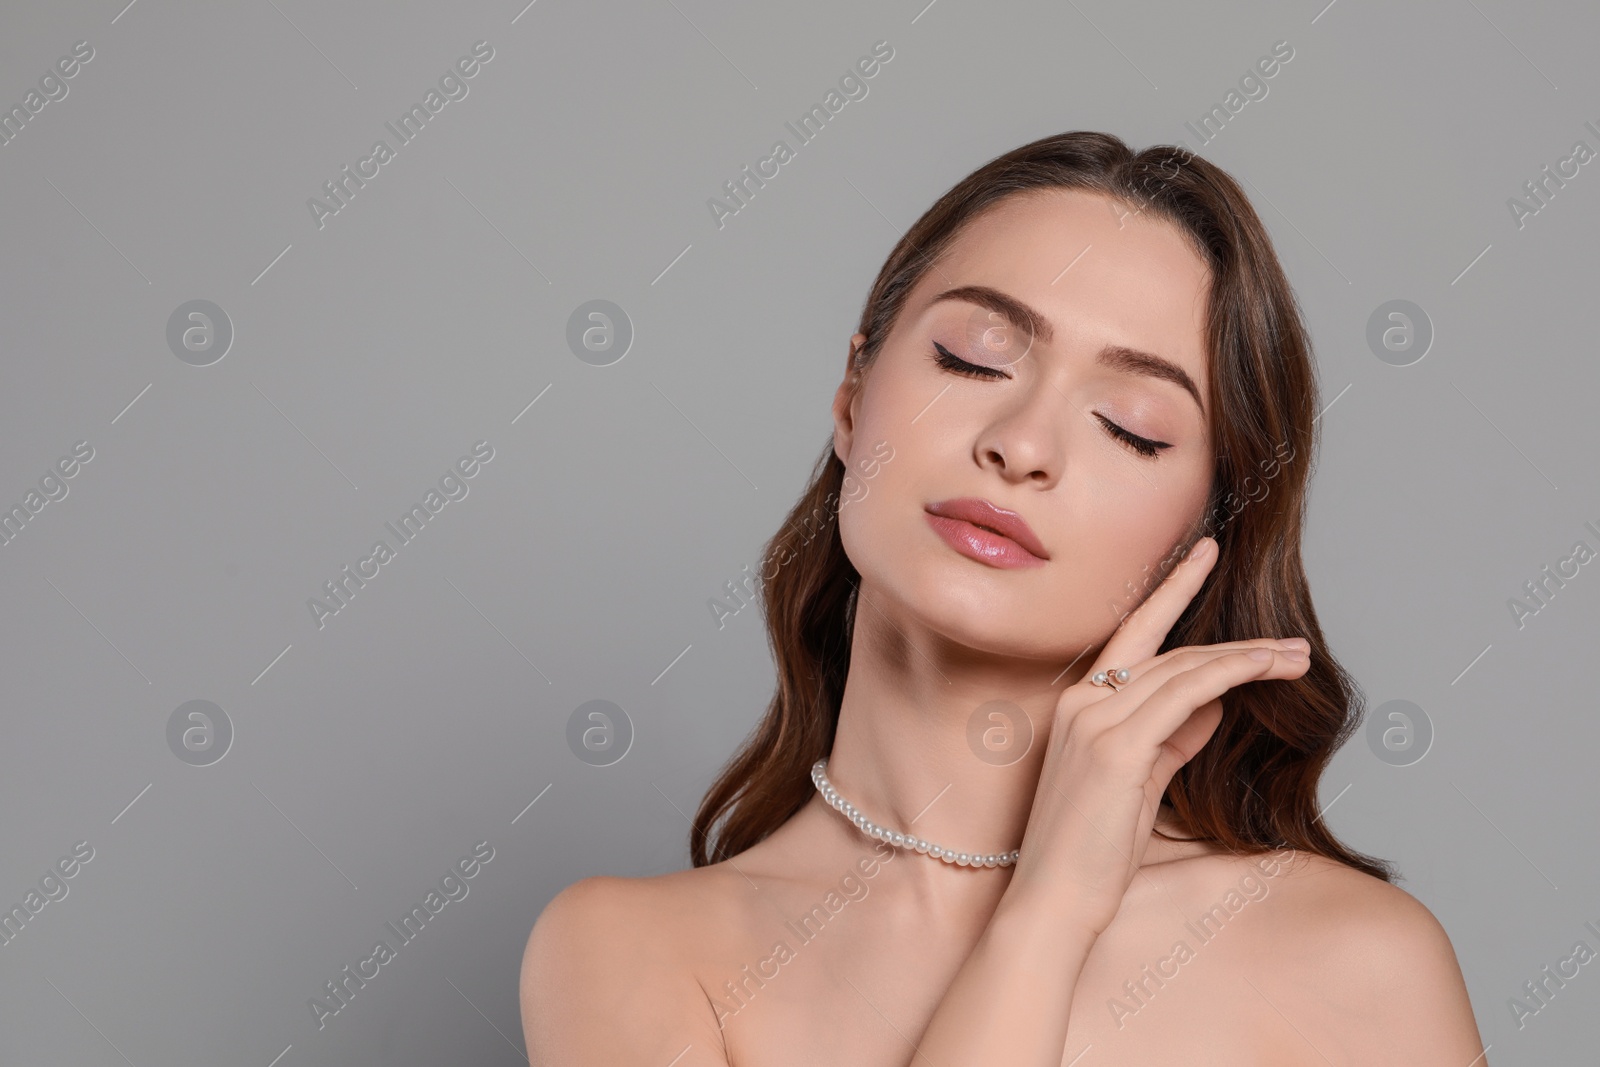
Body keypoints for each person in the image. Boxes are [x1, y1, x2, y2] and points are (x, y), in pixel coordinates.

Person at [519, 131, 1488, 1065]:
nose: (1022, 445)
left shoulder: (1350, 960)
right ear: (853, 398)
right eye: (973, 358)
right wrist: (1048, 910)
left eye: (1131, 427)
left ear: (1204, 534)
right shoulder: (628, 952)